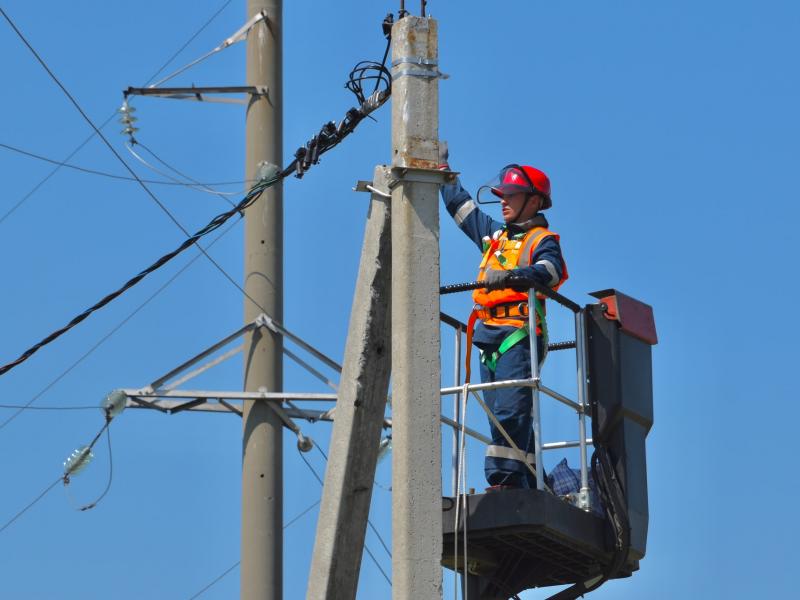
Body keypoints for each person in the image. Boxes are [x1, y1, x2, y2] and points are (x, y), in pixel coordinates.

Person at [439, 149, 568, 490]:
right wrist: (444, 172)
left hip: (517, 334)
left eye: (511, 196)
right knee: (500, 415)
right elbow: (464, 212)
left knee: (511, 410)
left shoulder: (543, 242)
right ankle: (527, 479)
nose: (504, 202)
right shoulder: (495, 237)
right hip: (487, 337)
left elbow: (549, 273)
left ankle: (505, 483)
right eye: (502, 196)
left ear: (535, 202)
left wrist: (511, 275)